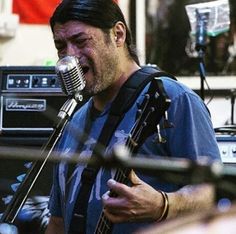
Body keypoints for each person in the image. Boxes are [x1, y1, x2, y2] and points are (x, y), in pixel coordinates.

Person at [45, 0, 221, 234]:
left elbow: (213, 193)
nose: (69, 57)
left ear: (118, 35)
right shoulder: (74, 122)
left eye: (80, 41)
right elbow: (58, 222)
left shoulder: (176, 100)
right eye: (61, 46)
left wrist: (162, 205)